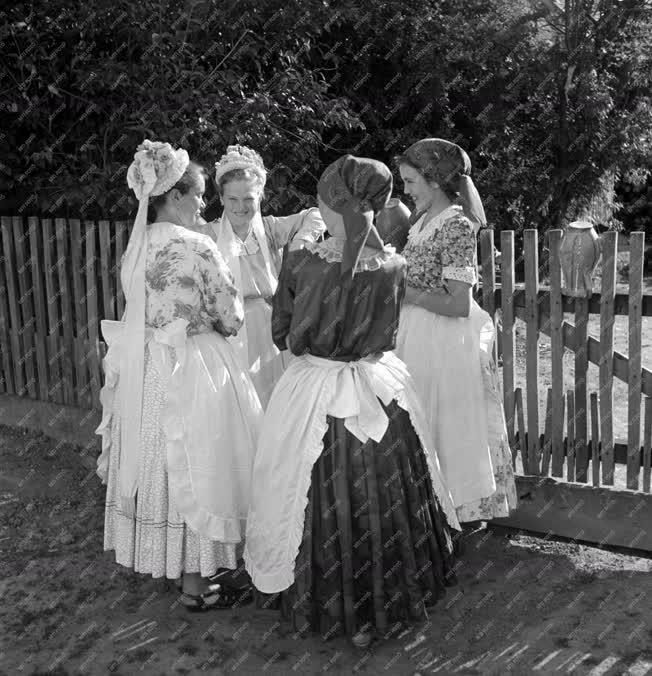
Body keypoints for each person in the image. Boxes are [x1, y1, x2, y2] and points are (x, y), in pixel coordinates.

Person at [244, 155, 460, 648]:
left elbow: (284, 334)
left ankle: (328, 600)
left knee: (304, 488)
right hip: (378, 390)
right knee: (385, 494)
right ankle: (388, 598)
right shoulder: (394, 266)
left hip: (315, 391)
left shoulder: (300, 261)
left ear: (333, 203)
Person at [95, 140, 263, 611]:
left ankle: (178, 570)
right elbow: (231, 318)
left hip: (147, 370)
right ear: (173, 196)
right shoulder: (198, 245)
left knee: (160, 460)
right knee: (199, 463)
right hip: (194, 365)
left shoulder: (136, 246)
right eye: (199, 195)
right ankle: (196, 583)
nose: (204, 205)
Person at [394, 138, 517, 523]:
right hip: (416, 334)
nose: (406, 190)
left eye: (411, 181)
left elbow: (458, 303)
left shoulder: (457, 226)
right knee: (421, 421)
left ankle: (454, 511)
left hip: (444, 340)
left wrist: (405, 292)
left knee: (446, 423)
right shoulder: (420, 223)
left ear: (434, 180)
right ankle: (431, 511)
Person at [206, 145, 326, 408]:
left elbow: (316, 214)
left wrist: (300, 243)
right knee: (237, 402)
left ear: (259, 196)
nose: (241, 207)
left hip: (271, 324)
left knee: (275, 399)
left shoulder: (270, 228)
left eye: (249, 198)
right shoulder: (209, 235)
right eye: (232, 199)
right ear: (222, 199)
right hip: (228, 327)